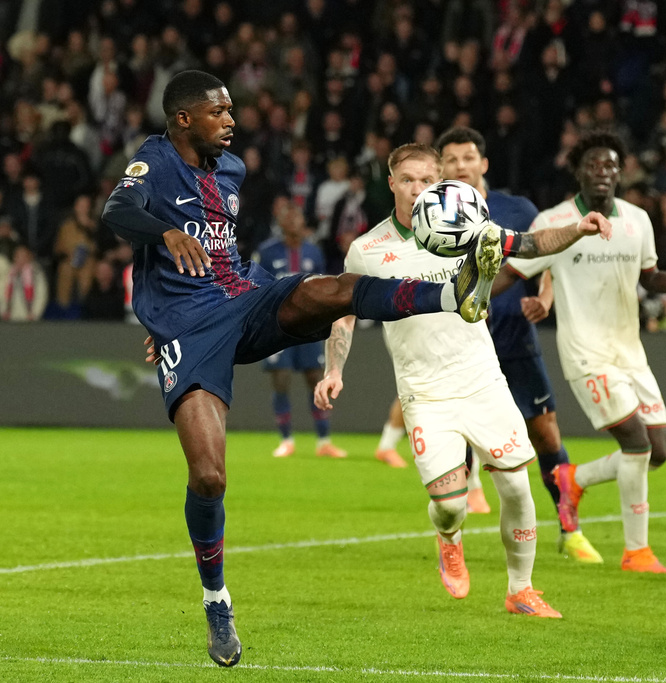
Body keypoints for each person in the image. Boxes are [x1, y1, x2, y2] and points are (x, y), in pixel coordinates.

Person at [101, 70, 504, 668]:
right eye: (218, 112)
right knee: (209, 476)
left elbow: (221, 252)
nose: (231, 121)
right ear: (183, 118)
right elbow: (117, 209)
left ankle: (453, 294)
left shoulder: (231, 171)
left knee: (329, 289)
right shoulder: (155, 161)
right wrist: (163, 241)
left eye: (231, 110)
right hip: (189, 328)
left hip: (245, 296)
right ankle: (216, 599)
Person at [314, 142, 610, 619]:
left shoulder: (469, 228)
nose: (416, 189)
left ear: (441, 184)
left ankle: (521, 590)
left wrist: (579, 228)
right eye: (406, 180)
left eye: (426, 180)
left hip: (483, 380)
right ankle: (449, 537)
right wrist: (334, 369)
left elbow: (531, 245)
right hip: (425, 393)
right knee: (451, 505)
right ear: (391, 184)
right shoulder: (367, 250)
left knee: (517, 487)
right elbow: (344, 313)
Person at [493, 131, 666, 574]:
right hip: (586, 354)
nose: (603, 172)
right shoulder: (555, 221)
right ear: (578, 171)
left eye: (610, 165)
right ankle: (637, 552)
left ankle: (573, 478)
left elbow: (650, 277)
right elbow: (513, 270)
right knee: (635, 443)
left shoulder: (637, 219)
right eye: (593, 165)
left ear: (621, 173)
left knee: (658, 450)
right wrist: (471, 299)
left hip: (629, 352)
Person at [436, 126, 602, 563]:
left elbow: (545, 258)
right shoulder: (434, 216)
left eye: (468, 157)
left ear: (483, 163)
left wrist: (545, 298)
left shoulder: (517, 209)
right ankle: (452, 542)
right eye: (451, 159)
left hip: (513, 339)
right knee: (455, 445)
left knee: (545, 434)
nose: (460, 166)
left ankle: (570, 530)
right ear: (441, 168)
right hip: (460, 343)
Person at [254, 203, 347, 459]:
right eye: (289, 217)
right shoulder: (267, 251)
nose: (294, 221)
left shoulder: (313, 252)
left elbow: (323, 286)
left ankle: (324, 440)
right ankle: (286, 440)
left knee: (315, 377)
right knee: (281, 379)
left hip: (308, 325)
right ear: (282, 223)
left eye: (298, 216)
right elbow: (256, 285)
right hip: (277, 326)